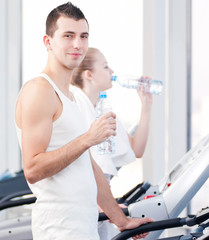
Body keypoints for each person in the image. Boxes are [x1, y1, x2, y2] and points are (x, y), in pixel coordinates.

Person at [15, 2, 153, 240]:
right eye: (68, 36)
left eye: (83, 36)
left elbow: (89, 166)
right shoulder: (39, 90)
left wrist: (121, 220)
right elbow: (33, 170)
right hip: (58, 229)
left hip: (84, 226)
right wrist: (88, 139)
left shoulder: (74, 98)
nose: (77, 44)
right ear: (48, 42)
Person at [71, 47, 153, 239]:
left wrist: (146, 107)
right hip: (84, 210)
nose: (112, 72)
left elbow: (136, 149)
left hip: (99, 206)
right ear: (89, 75)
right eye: (106, 67)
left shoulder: (102, 109)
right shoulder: (76, 110)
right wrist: (112, 211)